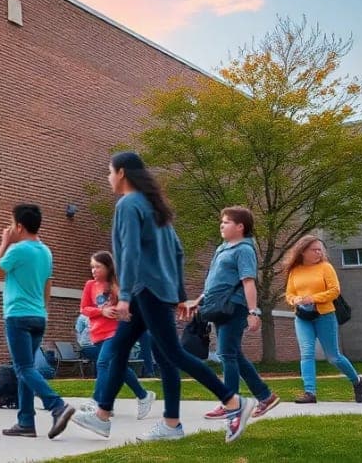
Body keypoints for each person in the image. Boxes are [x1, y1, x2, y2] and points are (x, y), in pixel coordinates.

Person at [72, 152, 254, 444]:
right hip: (159, 291)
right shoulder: (156, 208)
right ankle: (107, 416)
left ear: (121, 173)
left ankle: (233, 401)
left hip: (146, 290)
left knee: (173, 354)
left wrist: (126, 295)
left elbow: (129, 251)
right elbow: (178, 251)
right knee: (121, 348)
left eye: (109, 172)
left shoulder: (128, 203)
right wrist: (179, 295)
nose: (108, 178)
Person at [0, 204, 74, 439]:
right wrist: (42, 309)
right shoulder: (45, 251)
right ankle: (26, 422)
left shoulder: (18, 250)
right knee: (26, 369)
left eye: (11, 223)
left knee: (23, 368)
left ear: (19, 226)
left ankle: (57, 406)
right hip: (39, 316)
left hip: (18, 316)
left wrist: (4, 244)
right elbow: (48, 285)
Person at [186, 207, 280, 419]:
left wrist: (253, 312)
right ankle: (265, 396)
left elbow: (248, 282)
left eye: (227, 222)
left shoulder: (244, 250)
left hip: (234, 307)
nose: (222, 225)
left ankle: (231, 402)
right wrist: (199, 301)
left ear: (240, 227)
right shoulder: (222, 248)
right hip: (218, 306)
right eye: (222, 221)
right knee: (233, 353)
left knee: (226, 354)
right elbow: (214, 282)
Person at [285, 234, 362, 404]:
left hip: (325, 315)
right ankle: (310, 393)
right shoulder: (295, 270)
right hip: (302, 317)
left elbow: (334, 291)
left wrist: (313, 298)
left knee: (333, 357)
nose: (318, 253)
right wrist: (295, 300)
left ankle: (357, 381)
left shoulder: (326, 267)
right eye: (314, 250)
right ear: (303, 252)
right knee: (307, 353)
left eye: (320, 250)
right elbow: (289, 294)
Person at [77, 251, 155, 419]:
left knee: (103, 363)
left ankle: (97, 401)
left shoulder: (118, 284)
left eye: (98, 267)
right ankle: (143, 396)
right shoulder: (90, 285)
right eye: (92, 267)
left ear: (108, 267)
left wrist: (122, 309)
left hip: (115, 332)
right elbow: (84, 308)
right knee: (118, 367)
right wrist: (101, 311)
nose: (94, 270)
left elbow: (130, 306)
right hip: (97, 334)